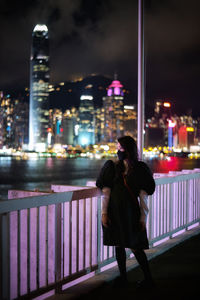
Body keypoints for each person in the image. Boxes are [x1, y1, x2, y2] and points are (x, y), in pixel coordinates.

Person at [96, 136, 155, 288]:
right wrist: (104, 213)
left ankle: (148, 279)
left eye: (120, 147)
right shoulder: (113, 167)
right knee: (118, 244)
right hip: (114, 211)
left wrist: (143, 217)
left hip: (131, 212)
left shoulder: (140, 169)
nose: (117, 150)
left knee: (135, 245)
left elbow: (143, 195)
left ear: (128, 149)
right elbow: (106, 191)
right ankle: (123, 278)